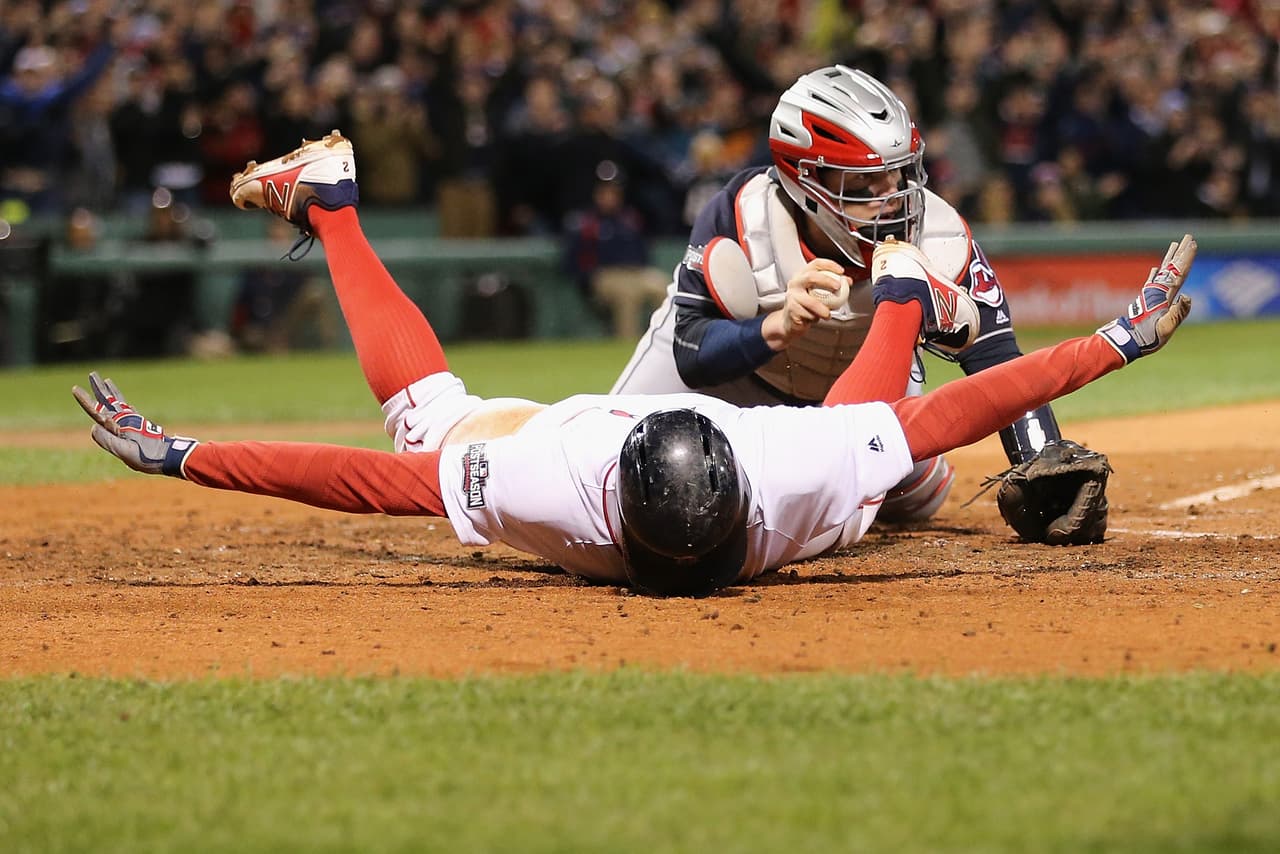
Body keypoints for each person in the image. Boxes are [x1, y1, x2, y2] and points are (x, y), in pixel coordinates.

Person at [73, 131, 1195, 597]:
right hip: (617, 427)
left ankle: (334, 204)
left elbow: (371, 480)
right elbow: (927, 408)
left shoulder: (551, 491)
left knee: (427, 423)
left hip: (583, 437)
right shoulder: (773, 487)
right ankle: (335, 201)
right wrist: (1110, 340)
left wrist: (186, 453)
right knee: (892, 448)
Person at [609, 65, 1097, 533]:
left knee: (918, 501)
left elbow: (996, 361)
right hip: (733, 384)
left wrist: (1040, 458)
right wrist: (773, 327)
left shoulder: (941, 235)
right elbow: (692, 354)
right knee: (609, 465)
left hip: (861, 401)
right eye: (864, 182)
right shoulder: (744, 217)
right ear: (806, 184)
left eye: (901, 173)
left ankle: (902, 465)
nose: (894, 196)